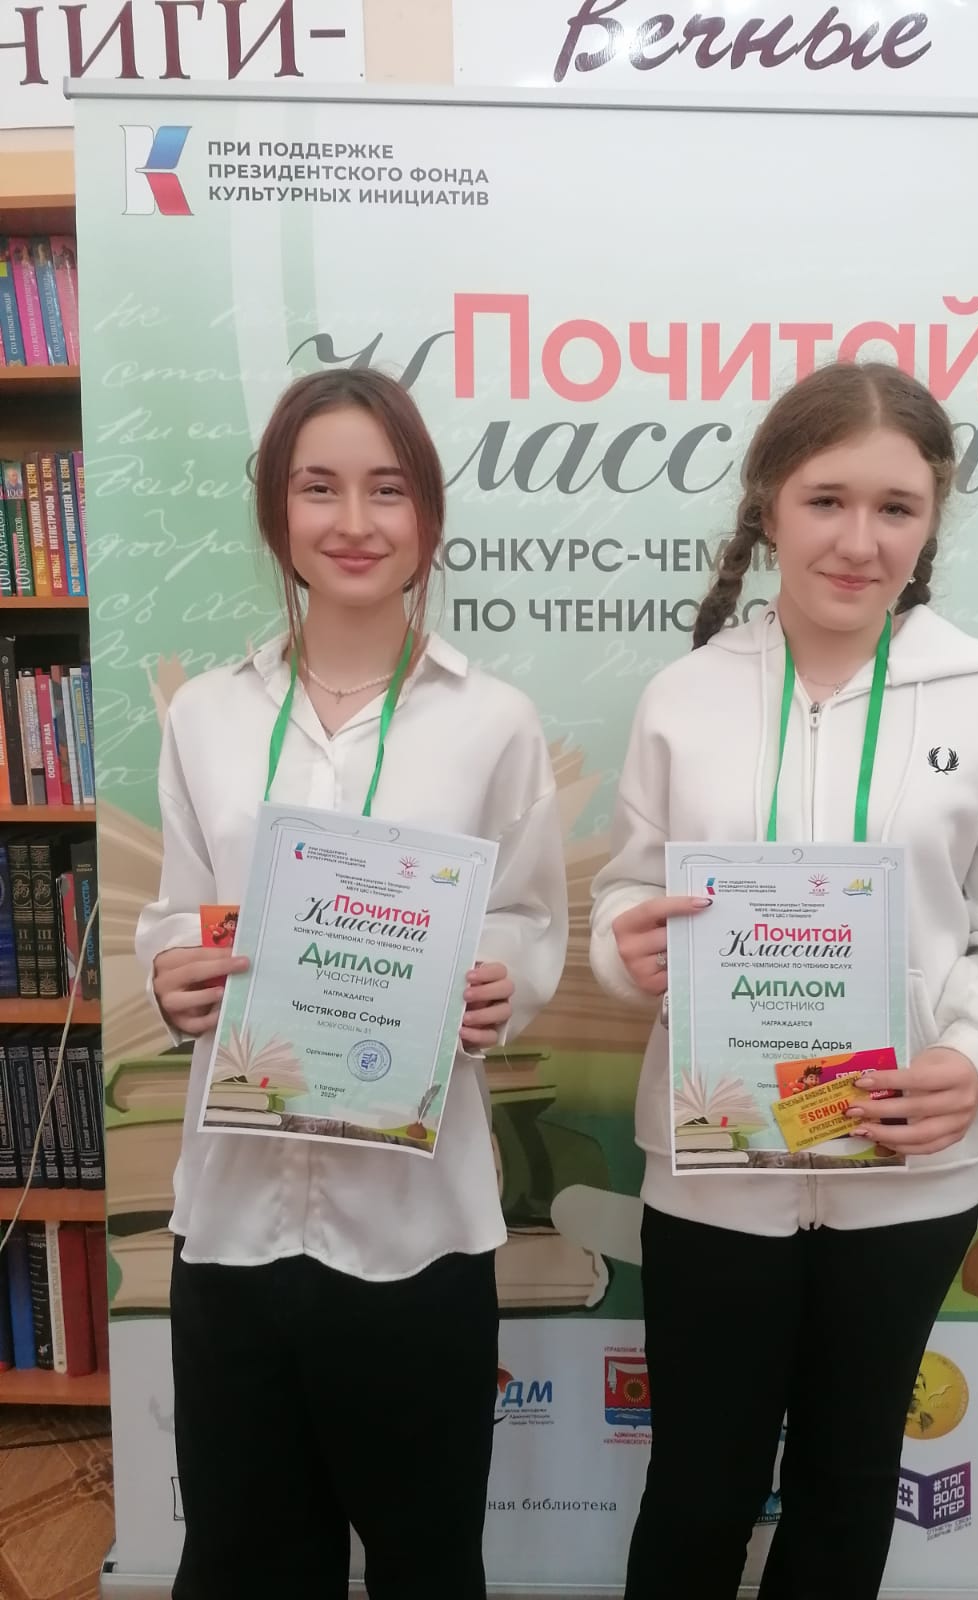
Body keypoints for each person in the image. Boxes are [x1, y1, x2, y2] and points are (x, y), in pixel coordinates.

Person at [589, 361, 978, 1600]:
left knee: (850, 1483)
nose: (860, 542)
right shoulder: (685, 696)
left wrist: (977, 1056)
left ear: (932, 520)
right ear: (768, 503)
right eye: (826, 501)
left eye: (896, 507)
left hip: (908, 1179)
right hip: (715, 1178)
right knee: (697, 1485)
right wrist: (624, 944)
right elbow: (625, 890)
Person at [135, 367, 568, 1600]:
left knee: (428, 1561)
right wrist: (170, 970)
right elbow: (178, 906)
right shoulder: (207, 715)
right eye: (318, 487)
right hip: (236, 1223)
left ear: (427, 511)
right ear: (277, 511)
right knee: (244, 1560)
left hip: (416, 1229)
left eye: (388, 488)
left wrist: (502, 984)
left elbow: (531, 916)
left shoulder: (494, 721)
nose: (355, 521)